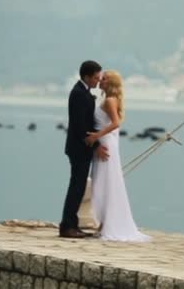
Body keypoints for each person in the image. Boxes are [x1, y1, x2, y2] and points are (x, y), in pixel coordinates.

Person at [85, 70, 151, 242]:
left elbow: (116, 123)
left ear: (111, 83)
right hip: (106, 142)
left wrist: (96, 136)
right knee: (103, 182)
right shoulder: (107, 99)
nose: (101, 80)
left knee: (105, 183)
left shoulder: (109, 100)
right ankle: (104, 223)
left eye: (104, 79)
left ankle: (108, 224)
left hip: (105, 143)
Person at [60, 60, 109, 238]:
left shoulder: (83, 91)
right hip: (79, 148)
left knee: (78, 187)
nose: (98, 81)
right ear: (87, 77)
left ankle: (72, 224)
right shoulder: (79, 93)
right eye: (96, 78)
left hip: (80, 148)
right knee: (76, 187)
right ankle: (67, 226)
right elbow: (82, 127)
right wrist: (96, 145)